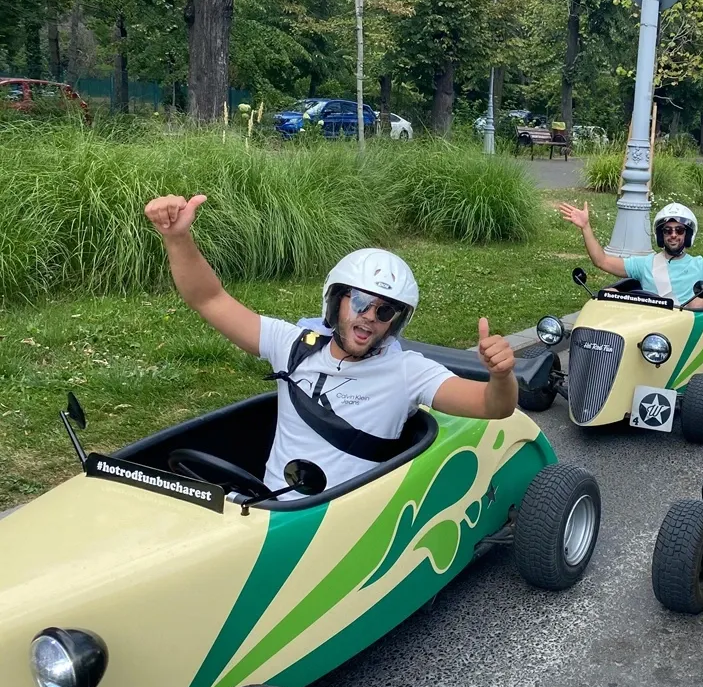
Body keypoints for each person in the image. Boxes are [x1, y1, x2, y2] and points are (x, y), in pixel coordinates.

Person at [144, 193, 517, 498]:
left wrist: (501, 375)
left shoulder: (408, 372)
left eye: (385, 310)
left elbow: (493, 405)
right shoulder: (289, 344)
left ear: (395, 322)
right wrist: (177, 238)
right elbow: (209, 299)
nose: (370, 316)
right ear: (336, 300)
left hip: (344, 525)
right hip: (266, 509)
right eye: (358, 302)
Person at [557, 200, 703, 309]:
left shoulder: (701, 266)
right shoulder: (644, 263)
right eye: (668, 231)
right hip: (642, 325)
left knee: (698, 303)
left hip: (680, 334)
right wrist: (586, 228)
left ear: (687, 235)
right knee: (607, 292)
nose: (673, 235)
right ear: (661, 235)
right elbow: (602, 261)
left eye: (679, 230)